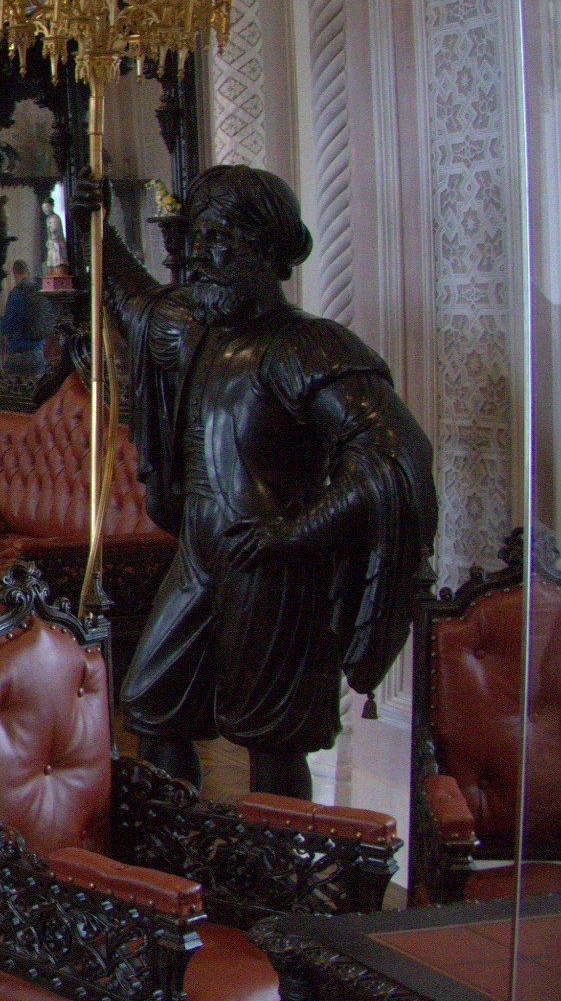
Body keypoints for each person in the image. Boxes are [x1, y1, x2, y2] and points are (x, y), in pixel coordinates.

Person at [81, 166, 436, 799]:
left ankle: (281, 853)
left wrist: (297, 531)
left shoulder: (307, 347)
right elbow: (133, 298)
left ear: (268, 249)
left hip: (270, 564)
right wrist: (97, 223)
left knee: (271, 732)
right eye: (196, 235)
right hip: (199, 554)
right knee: (153, 701)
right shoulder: (194, 329)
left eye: (219, 238)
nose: (198, 254)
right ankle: (177, 841)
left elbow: (390, 453)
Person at [0, 258, 47, 361]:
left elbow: (7, 326)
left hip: (20, 351)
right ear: (28, 273)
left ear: (15, 274)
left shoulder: (15, 294)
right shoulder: (40, 291)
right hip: (38, 351)